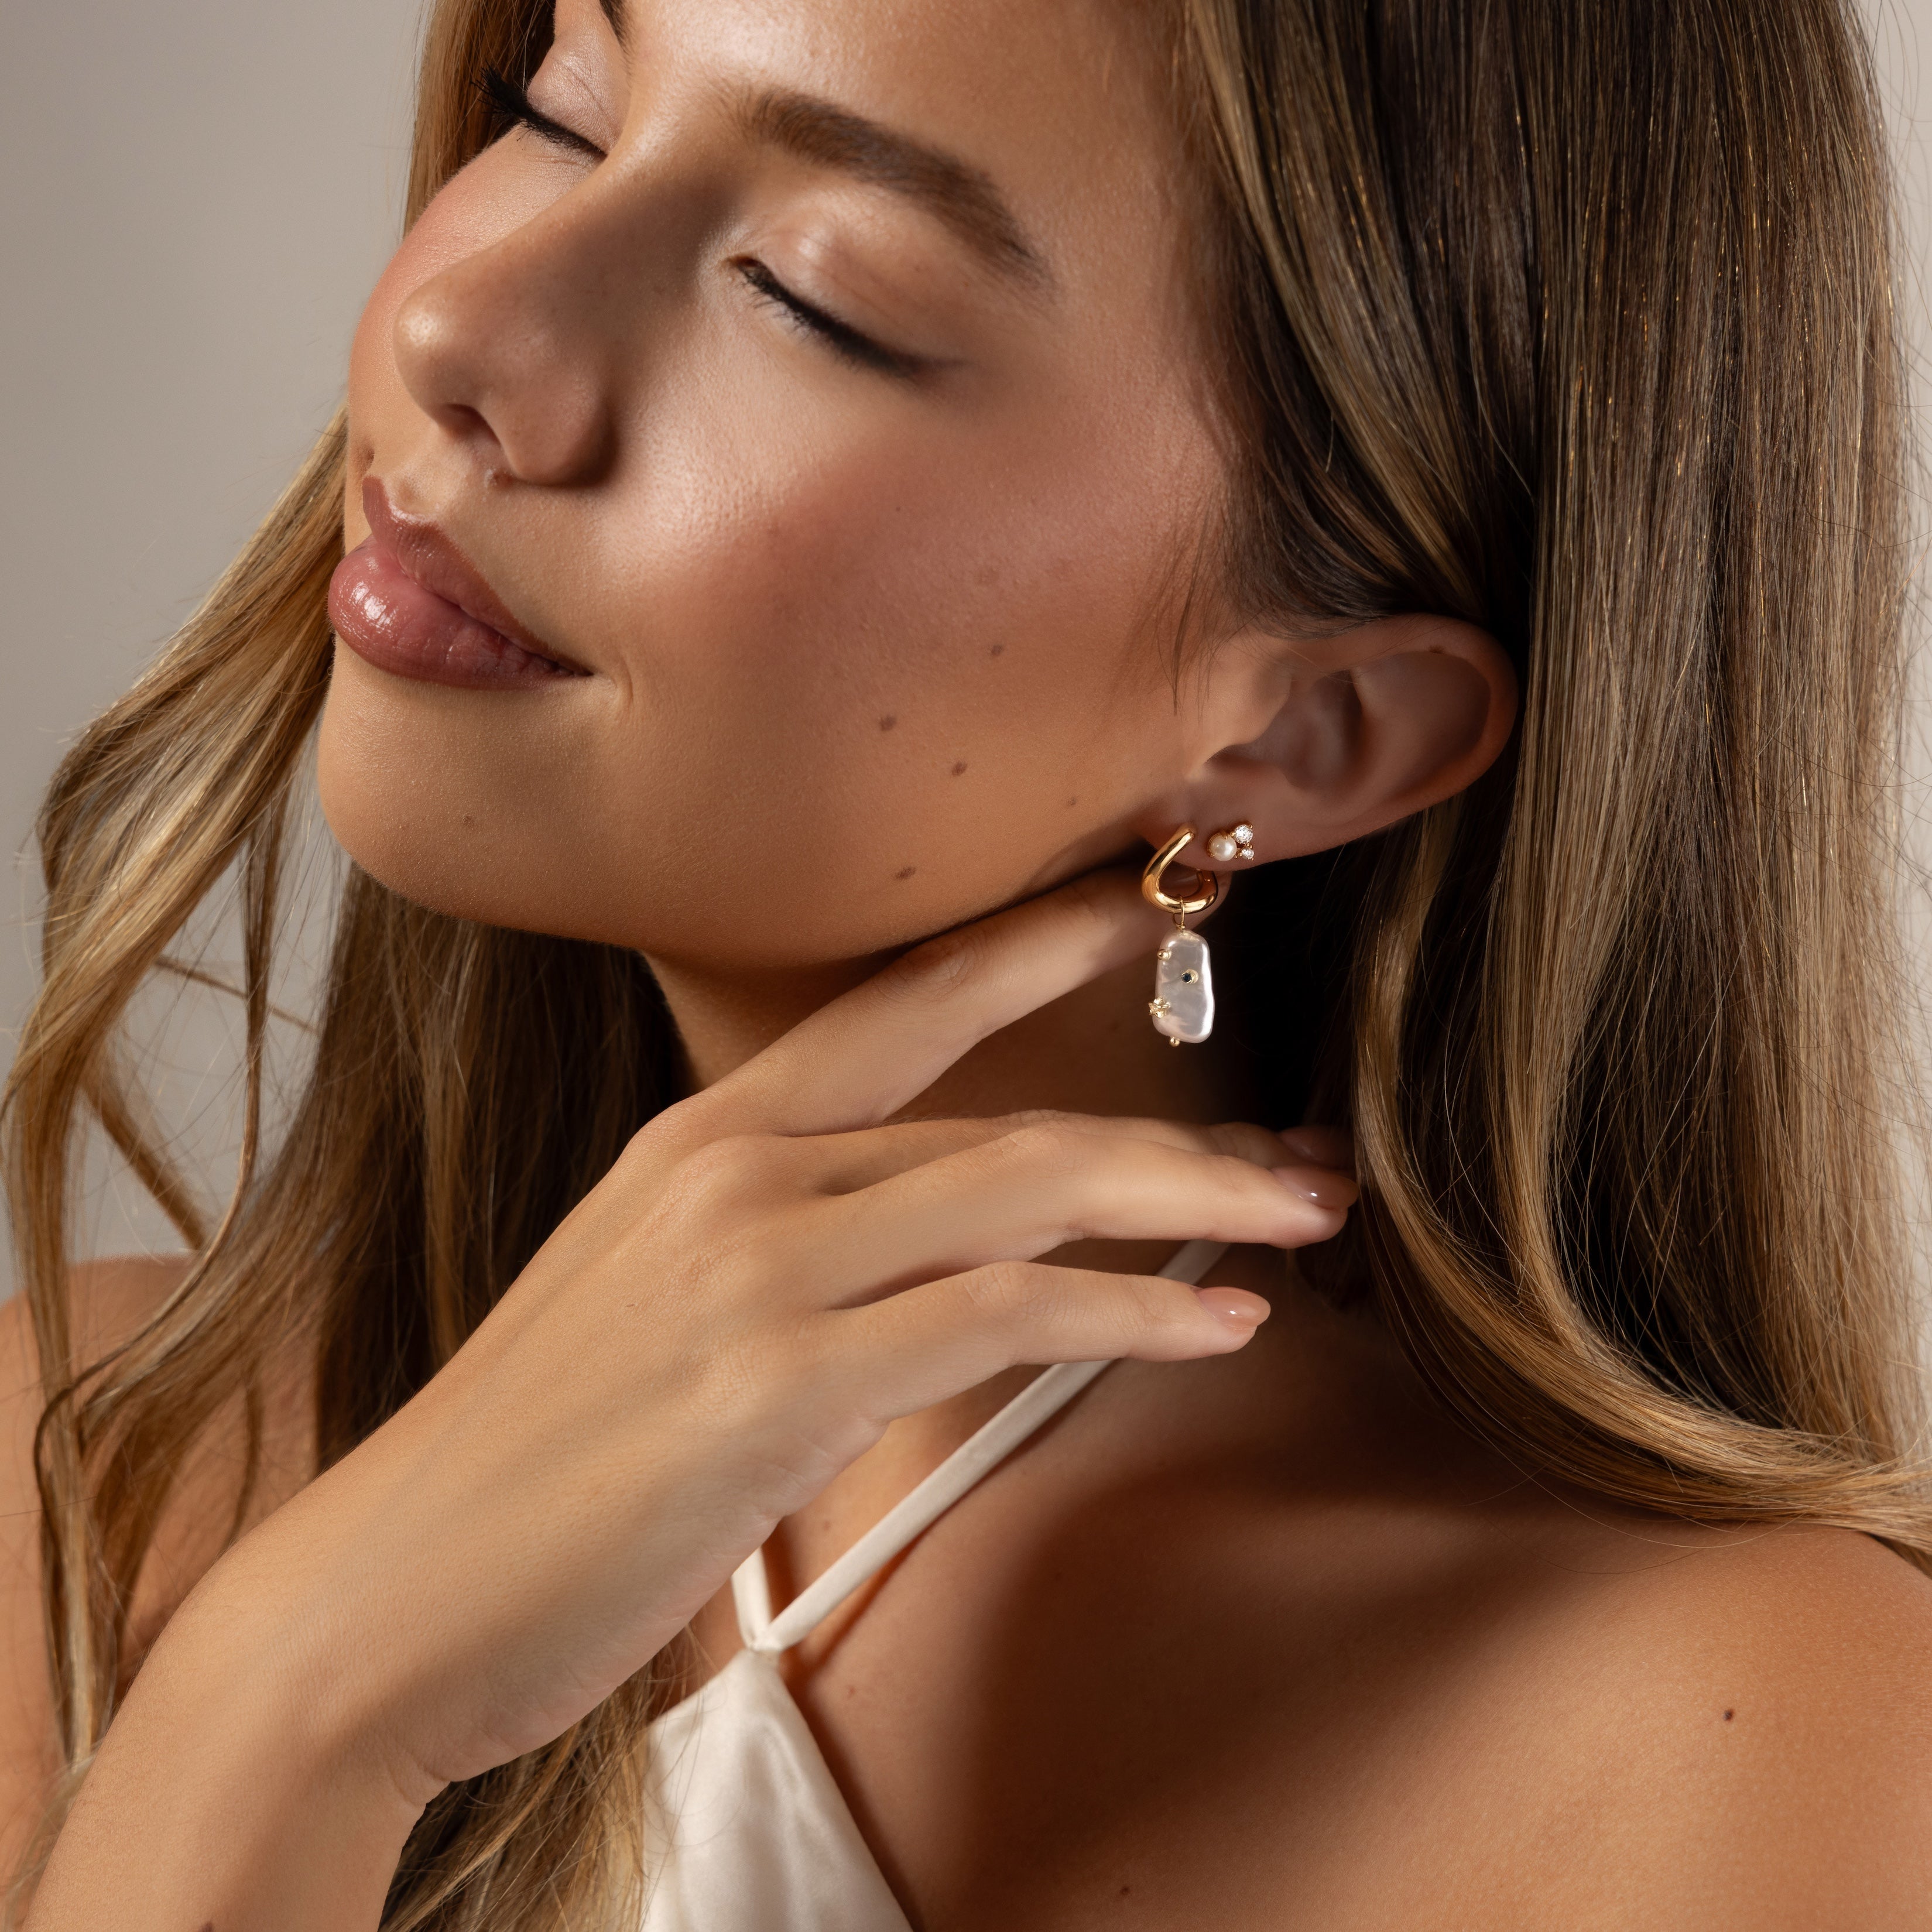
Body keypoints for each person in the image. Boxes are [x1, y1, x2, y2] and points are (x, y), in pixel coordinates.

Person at [6, 0, 1932, 1923]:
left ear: (1305, 735)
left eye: (810, 295)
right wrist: (287, 1699)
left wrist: (292, 1713)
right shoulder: (88, 1463)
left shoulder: (1735, 1749)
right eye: (563, 107)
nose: (457, 328)